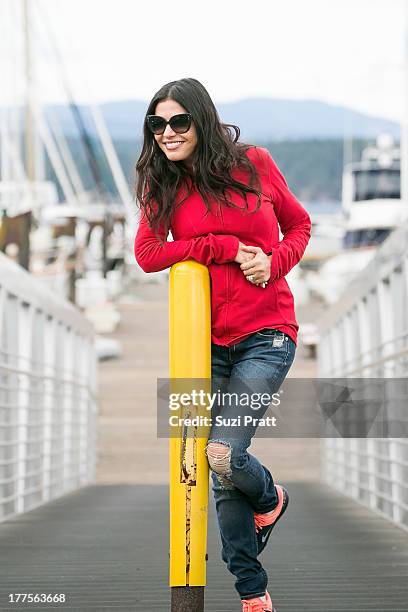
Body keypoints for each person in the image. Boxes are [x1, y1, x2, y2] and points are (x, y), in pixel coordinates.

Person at [134, 77, 311, 612]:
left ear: (201, 120)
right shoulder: (161, 185)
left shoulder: (253, 163)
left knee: (222, 455)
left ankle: (270, 497)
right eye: (157, 124)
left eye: (178, 121)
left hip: (267, 334)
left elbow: (299, 225)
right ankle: (253, 592)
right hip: (204, 344)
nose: (167, 133)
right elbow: (147, 253)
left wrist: (273, 261)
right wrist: (223, 247)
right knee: (220, 471)